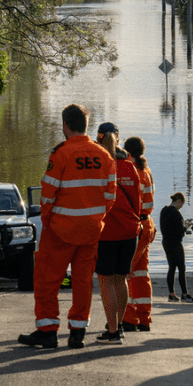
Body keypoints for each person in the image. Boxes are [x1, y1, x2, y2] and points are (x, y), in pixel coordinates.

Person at [18, 104, 117, 350]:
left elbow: (48, 196)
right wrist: (96, 219)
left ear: (65, 125)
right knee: (82, 283)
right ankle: (77, 333)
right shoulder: (104, 155)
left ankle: (48, 331)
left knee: (47, 280)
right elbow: (110, 196)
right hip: (91, 230)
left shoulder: (61, 153)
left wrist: (49, 222)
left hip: (61, 229)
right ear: (86, 126)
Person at [93, 123, 142, 344]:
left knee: (106, 281)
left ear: (98, 138)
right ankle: (120, 325)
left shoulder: (100, 165)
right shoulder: (130, 167)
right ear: (118, 139)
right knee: (121, 279)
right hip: (130, 231)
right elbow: (138, 202)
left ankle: (112, 331)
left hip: (107, 232)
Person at [122, 135, 156, 332]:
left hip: (136, 225)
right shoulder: (146, 170)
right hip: (147, 224)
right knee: (141, 274)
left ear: (127, 152)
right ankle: (144, 318)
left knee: (125, 273)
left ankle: (129, 317)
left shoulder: (130, 170)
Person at [159, 192, 193, 303]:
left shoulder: (164, 211)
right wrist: (187, 226)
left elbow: (171, 226)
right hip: (176, 243)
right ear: (179, 202)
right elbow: (180, 230)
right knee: (181, 268)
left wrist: (184, 225)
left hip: (166, 242)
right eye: (181, 205)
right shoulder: (176, 213)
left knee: (172, 267)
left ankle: (171, 294)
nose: (181, 207)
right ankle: (185, 294)